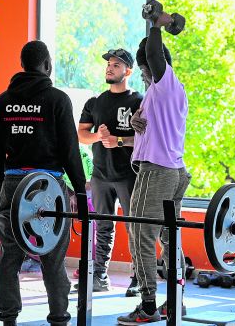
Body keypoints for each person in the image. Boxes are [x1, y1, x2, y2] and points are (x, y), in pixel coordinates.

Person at [0, 40, 86, 326]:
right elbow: (70, 152)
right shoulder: (58, 100)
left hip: (13, 183)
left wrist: (1, 187)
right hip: (48, 188)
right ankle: (59, 317)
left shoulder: (3, 101)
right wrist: (80, 193)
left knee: (9, 256)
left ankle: (8, 318)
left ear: (23, 65)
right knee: (53, 257)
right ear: (47, 65)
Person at [117, 5, 191, 325]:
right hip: (173, 169)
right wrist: (134, 122)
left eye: (146, 73)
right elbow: (153, 131)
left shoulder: (167, 83)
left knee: (139, 235)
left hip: (157, 172)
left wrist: (156, 24)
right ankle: (176, 303)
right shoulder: (159, 95)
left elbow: (154, 55)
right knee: (168, 237)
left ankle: (147, 304)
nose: (146, 78)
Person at [77, 48, 143, 296]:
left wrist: (117, 140)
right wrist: (99, 136)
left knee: (135, 227)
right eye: (108, 64)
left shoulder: (140, 101)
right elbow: (82, 134)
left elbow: (147, 139)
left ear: (128, 71)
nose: (109, 68)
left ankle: (138, 277)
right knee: (103, 225)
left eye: (116, 65)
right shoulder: (96, 102)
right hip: (101, 175)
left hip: (129, 175)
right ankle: (99, 276)